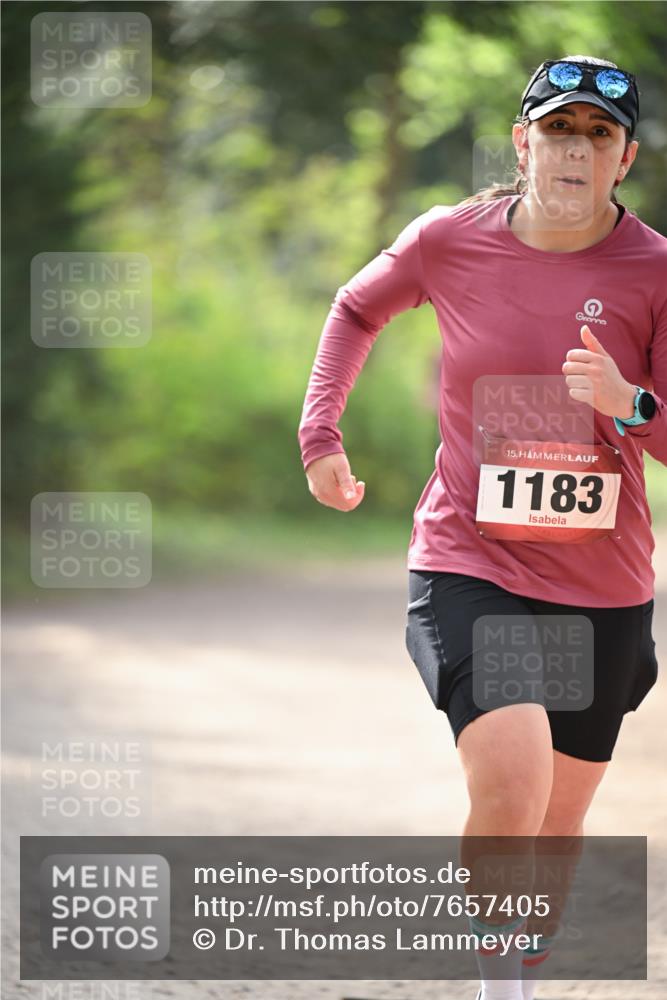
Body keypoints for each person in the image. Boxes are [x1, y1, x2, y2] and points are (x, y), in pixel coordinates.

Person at [298, 54, 665, 1000]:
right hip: (472, 559)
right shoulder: (448, 240)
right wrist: (320, 433)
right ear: (520, 141)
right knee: (510, 787)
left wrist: (630, 405)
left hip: (603, 583)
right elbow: (353, 309)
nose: (573, 150)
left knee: (556, 822)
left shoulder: (655, 271)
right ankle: (498, 991)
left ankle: (521, 970)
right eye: (555, 130)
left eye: (597, 135)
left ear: (623, 158)